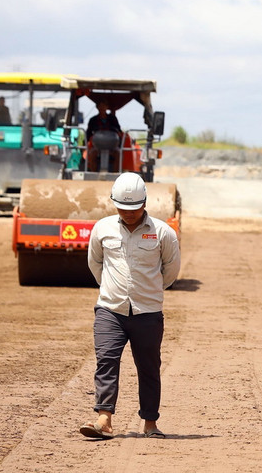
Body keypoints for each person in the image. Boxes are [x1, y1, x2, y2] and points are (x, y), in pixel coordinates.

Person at [80, 172, 180, 440]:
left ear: (144, 203)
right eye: (122, 208)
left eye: (133, 209)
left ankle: (150, 423)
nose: (128, 214)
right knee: (106, 362)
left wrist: (151, 292)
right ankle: (104, 420)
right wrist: (112, 289)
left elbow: (171, 270)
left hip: (148, 313)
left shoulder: (163, 233)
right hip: (110, 310)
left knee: (148, 367)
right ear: (114, 204)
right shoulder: (102, 229)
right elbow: (95, 264)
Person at [86, 100, 122, 172]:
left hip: (112, 146)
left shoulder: (113, 119)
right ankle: (93, 174)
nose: (102, 108)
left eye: (104, 106)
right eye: (100, 106)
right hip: (97, 146)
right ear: (97, 107)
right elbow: (88, 134)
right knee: (92, 154)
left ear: (107, 107)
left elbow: (119, 131)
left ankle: (115, 175)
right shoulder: (93, 120)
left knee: (118, 154)